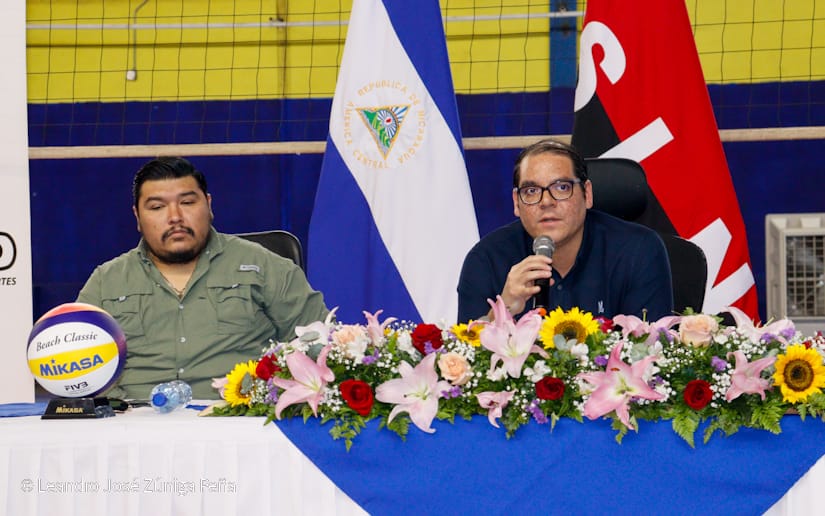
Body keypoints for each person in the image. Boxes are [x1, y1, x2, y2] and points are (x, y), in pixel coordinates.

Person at [77, 157, 329, 399]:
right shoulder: (106, 282)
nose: (175, 217)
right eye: (157, 207)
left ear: (208, 205)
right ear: (137, 217)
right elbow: (76, 366)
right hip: (133, 418)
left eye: (187, 202)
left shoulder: (264, 266)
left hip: (238, 417)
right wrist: (117, 411)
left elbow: (321, 342)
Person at [457, 139, 673, 323]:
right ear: (516, 202)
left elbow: (650, 348)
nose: (546, 202)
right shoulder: (486, 259)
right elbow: (464, 352)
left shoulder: (638, 251)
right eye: (531, 191)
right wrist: (503, 310)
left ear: (587, 194)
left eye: (561, 187)